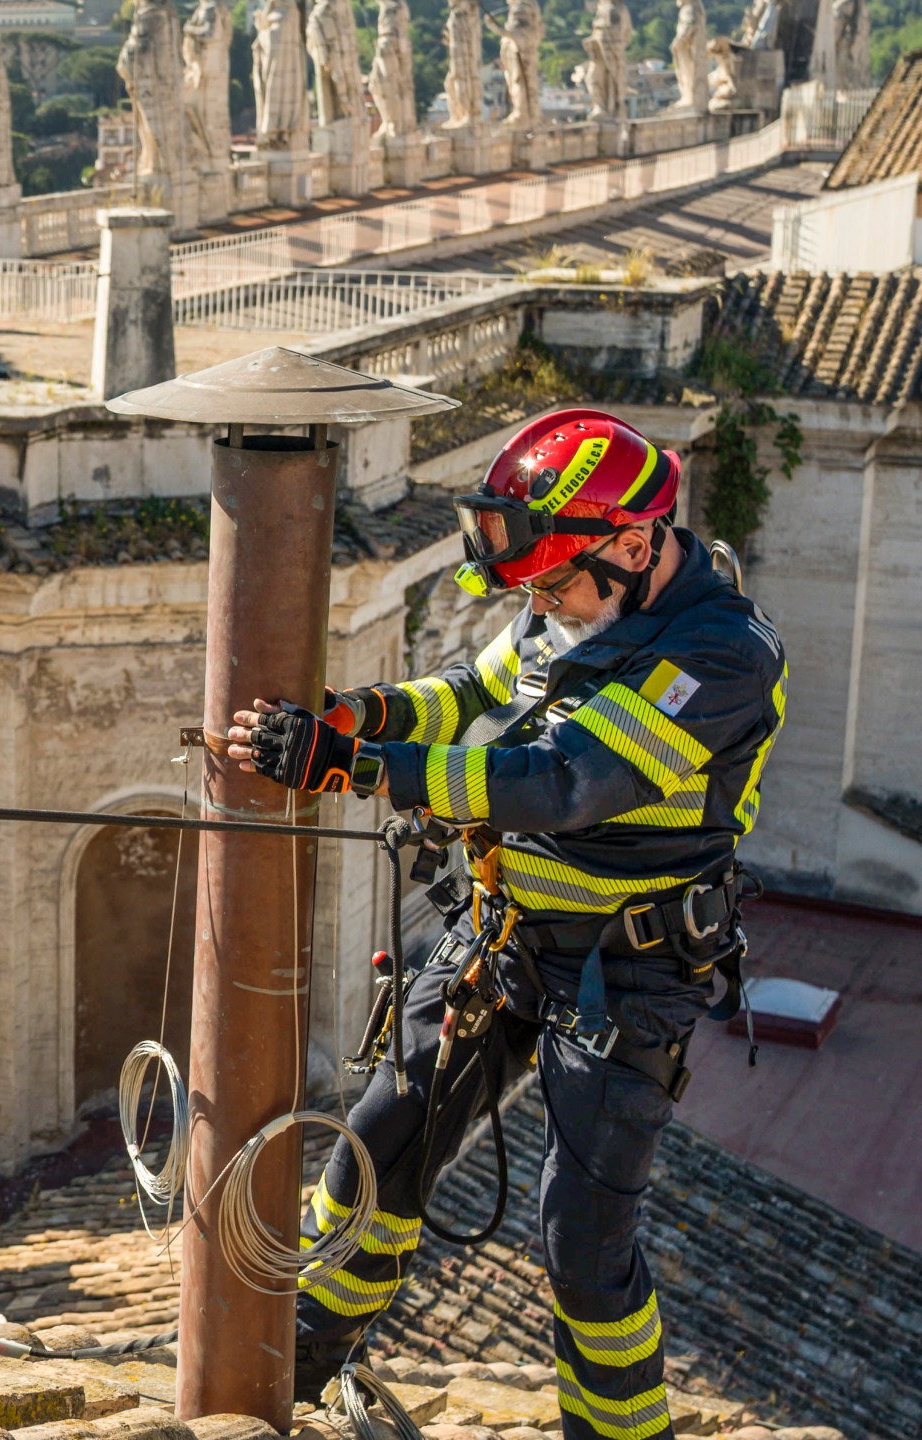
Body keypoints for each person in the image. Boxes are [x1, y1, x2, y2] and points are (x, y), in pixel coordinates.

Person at [223, 409, 787, 1438]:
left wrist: (359, 769)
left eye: (553, 585)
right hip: (503, 939)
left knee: (581, 1236)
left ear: (631, 543)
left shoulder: (721, 655)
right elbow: (476, 692)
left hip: (629, 973)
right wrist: (369, 714)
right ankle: (300, 1358)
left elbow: (566, 779)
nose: (538, 606)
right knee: (373, 1147)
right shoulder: (563, 596)